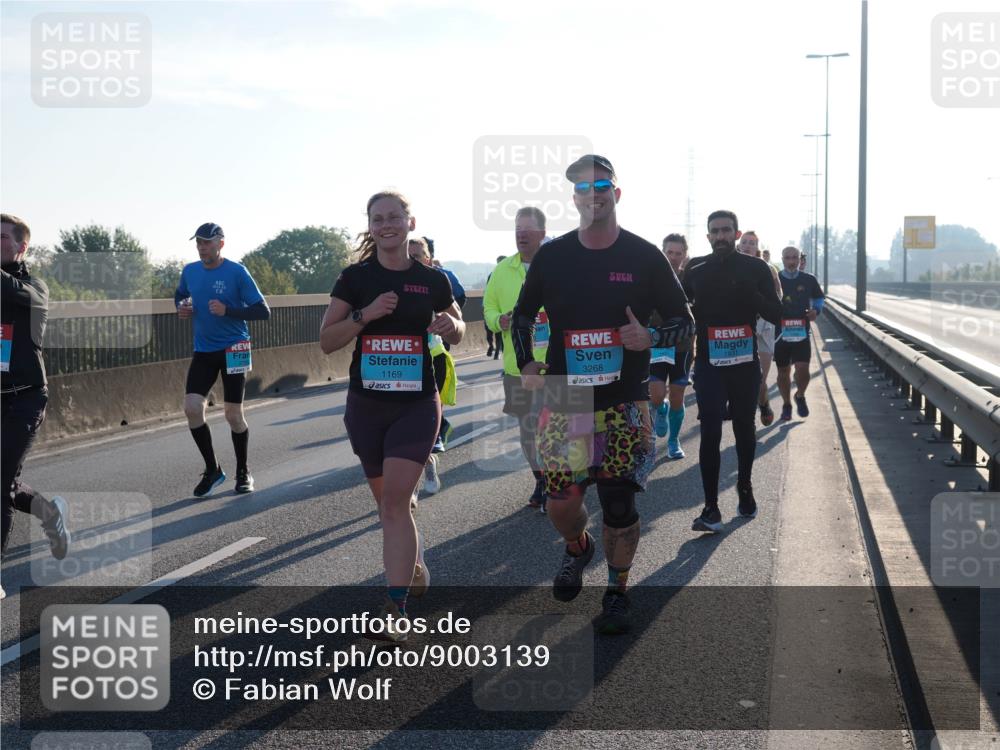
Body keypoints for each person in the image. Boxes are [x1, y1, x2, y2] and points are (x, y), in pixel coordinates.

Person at [512, 155, 693, 634]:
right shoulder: (554, 256)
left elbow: (684, 322)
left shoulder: (644, 256)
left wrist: (651, 340)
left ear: (617, 192)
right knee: (562, 502)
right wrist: (527, 359)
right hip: (565, 398)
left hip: (625, 398)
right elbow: (524, 315)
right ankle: (577, 547)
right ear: (573, 199)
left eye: (601, 185)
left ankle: (617, 590)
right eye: (582, 188)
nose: (592, 194)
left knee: (618, 503)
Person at [322, 191, 464, 641]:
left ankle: (396, 611)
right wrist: (366, 314)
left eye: (394, 217)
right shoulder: (355, 279)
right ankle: (412, 564)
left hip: (418, 405)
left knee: (395, 503)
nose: (387, 225)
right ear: (370, 225)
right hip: (366, 407)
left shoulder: (430, 280)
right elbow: (326, 340)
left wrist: (449, 326)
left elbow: (458, 326)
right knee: (389, 508)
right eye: (377, 218)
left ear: (410, 222)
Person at [682, 211, 782, 533]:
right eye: (715, 231)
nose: (721, 236)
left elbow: (776, 313)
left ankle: (744, 485)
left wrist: (749, 293)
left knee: (743, 426)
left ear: (737, 234)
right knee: (709, 428)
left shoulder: (757, 268)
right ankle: (710, 506)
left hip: (744, 364)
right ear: (708, 235)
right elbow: (678, 309)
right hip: (709, 364)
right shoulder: (695, 268)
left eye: (727, 230)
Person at [1, 214, 72, 599]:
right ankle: (50, 513)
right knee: (5, 482)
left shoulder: (33, 287)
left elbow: (11, 291)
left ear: (21, 246)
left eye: (0, 237)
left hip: (26, 398)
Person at [175, 223, 270, 497]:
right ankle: (213, 469)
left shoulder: (237, 272)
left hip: (234, 348)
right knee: (192, 408)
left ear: (221, 244)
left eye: (207, 242)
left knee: (232, 414)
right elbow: (181, 294)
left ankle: (243, 471)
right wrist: (182, 307)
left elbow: (263, 311)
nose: (202, 247)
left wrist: (228, 310)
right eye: (199, 243)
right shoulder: (190, 271)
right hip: (204, 350)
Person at [483, 207, 550, 510]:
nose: (521, 233)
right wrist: (500, 321)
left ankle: (561, 479)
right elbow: (488, 309)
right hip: (517, 365)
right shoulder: (502, 270)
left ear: (542, 233)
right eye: (517, 228)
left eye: (528, 228)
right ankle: (540, 478)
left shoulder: (559, 267)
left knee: (555, 428)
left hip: (556, 365)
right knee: (528, 430)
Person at [407, 237, 458, 503]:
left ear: (428, 259)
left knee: (419, 427)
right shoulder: (385, 281)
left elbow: (458, 314)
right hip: (401, 364)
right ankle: (421, 469)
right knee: (403, 429)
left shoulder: (437, 281)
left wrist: (450, 322)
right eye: (408, 255)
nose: (412, 260)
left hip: (433, 359)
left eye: (418, 256)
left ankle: (414, 484)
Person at [649, 233, 692, 459]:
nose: (673, 257)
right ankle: (661, 409)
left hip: (683, 347)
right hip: (657, 345)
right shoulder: (651, 278)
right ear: (662, 252)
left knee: (677, 396)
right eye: (669, 252)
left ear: (685, 255)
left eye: (678, 253)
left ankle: (674, 442)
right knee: (655, 396)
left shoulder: (689, 280)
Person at [774, 246, 825, 421]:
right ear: (782, 259)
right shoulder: (776, 278)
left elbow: (819, 298)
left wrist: (815, 311)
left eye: (794, 257)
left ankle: (800, 395)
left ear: (799, 259)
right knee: (783, 371)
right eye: (787, 257)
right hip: (780, 333)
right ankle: (787, 404)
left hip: (802, 331)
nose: (791, 261)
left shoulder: (809, 279)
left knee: (803, 370)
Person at [737, 231, 782, 426]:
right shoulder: (729, 267)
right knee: (740, 382)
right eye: (744, 242)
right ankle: (747, 421)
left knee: (759, 380)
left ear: (757, 248)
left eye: (752, 243)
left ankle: (763, 405)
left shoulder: (768, 269)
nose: (748, 246)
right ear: (739, 245)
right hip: (737, 330)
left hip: (763, 329)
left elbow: (778, 297)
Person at [485, 255, 506, 360]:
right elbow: (488, 292)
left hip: (504, 309)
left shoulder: (511, 274)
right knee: (489, 331)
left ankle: (497, 352)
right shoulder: (492, 275)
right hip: (493, 308)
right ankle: (491, 345)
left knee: (499, 334)